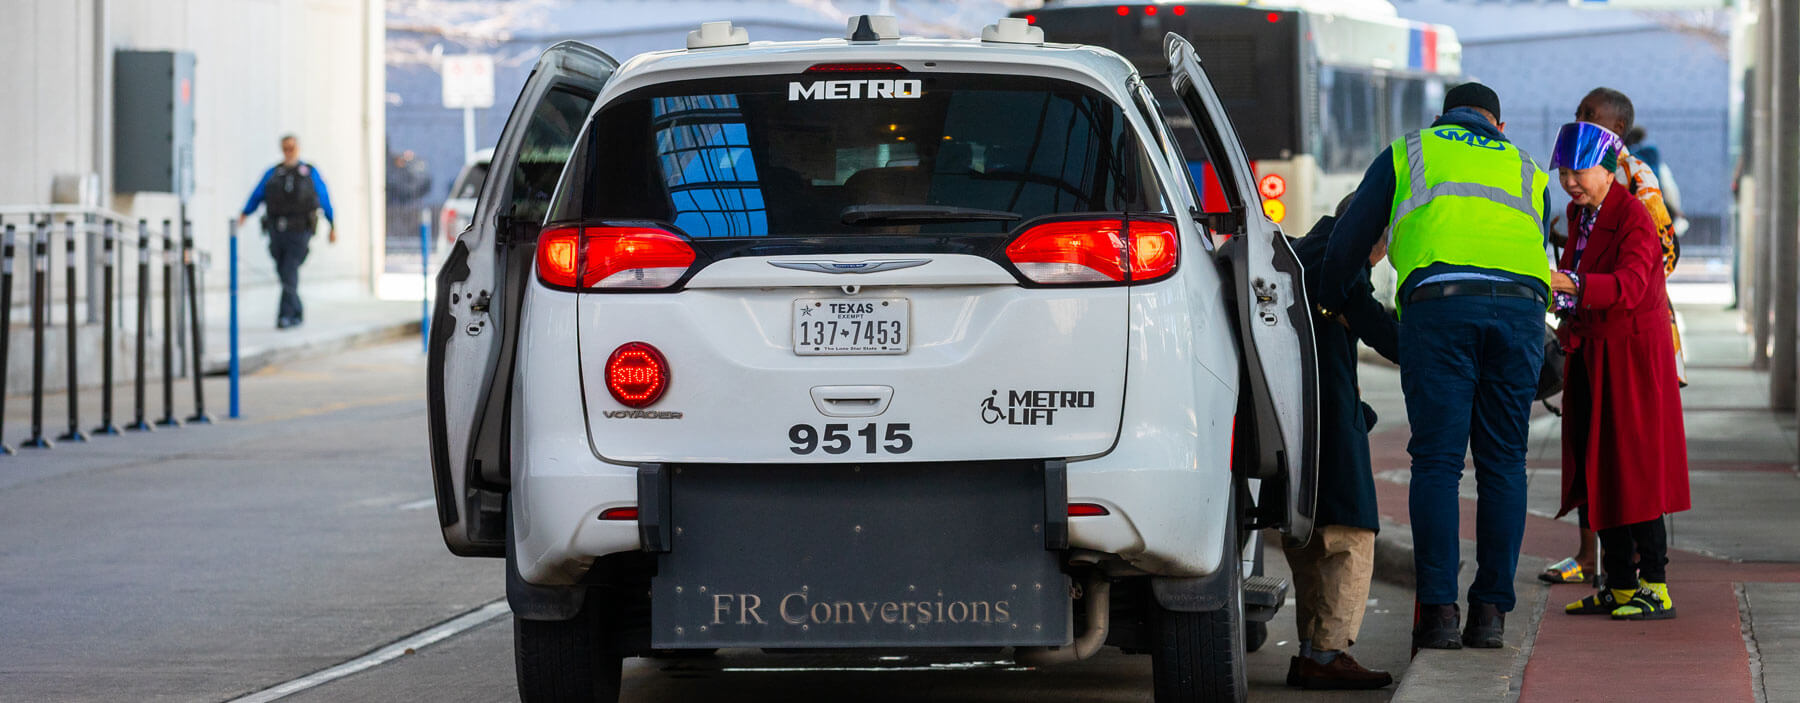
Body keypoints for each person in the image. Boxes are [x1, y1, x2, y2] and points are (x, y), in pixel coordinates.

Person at [1319, 82, 1552, 651]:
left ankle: (1441, 615)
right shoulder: (1527, 167)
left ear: (1443, 114)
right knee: (1503, 464)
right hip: (1522, 311)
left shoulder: (1410, 151)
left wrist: (1330, 296)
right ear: (1498, 122)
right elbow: (1533, 244)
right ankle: (1492, 614)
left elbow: (1350, 239)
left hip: (1441, 307)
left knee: (1439, 464)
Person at [1541, 88, 1686, 586]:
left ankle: (1652, 585)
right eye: (1563, 175)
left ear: (1611, 163)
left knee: (1636, 468)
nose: (1569, 183)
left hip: (1631, 355)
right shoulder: (1585, 213)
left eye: (1577, 174)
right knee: (1597, 467)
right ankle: (1617, 581)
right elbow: (1571, 274)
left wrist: (1574, 285)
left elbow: (1636, 281)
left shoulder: (1635, 208)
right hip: (1593, 349)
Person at [1283, 194, 1400, 690]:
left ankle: (1311, 649)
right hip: (1330, 417)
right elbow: (1385, 335)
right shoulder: (1342, 264)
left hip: (1294, 419)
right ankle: (1327, 654)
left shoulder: (1300, 251)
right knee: (1353, 534)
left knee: (1311, 535)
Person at [239, 134, 335, 329]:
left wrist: (332, 225)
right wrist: (245, 213)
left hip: (300, 231)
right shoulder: (274, 173)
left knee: (289, 269)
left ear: (298, 148)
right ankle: (297, 311)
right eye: (286, 148)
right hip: (277, 230)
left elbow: (323, 197)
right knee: (283, 271)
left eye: (292, 148)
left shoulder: (309, 172)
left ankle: (285, 315)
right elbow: (258, 193)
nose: (289, 151)